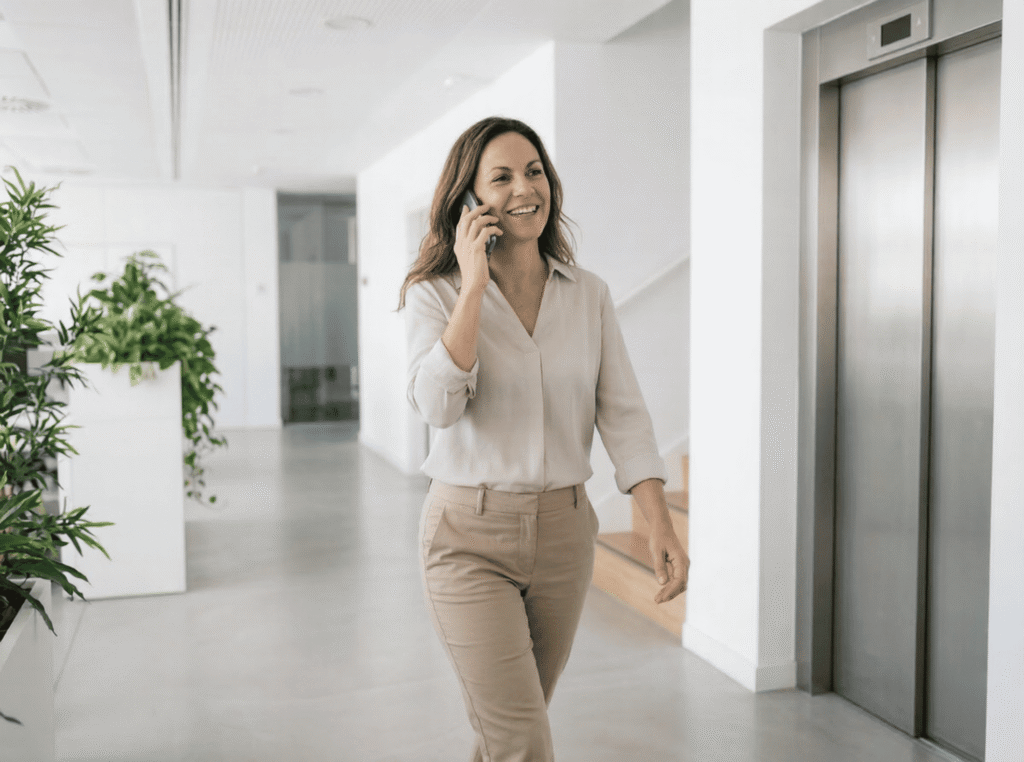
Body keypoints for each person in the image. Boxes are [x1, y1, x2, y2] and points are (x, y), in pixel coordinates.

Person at [398, 116, 689, 762]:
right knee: (522, 742)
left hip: (564, 538)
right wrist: (473, 286)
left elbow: (625, 415)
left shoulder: (588, 296)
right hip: (467, 539)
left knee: (508, 732)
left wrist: (659, 523)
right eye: (499, 177)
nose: (524, 188)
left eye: (533, 171)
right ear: (468, 200)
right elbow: (438, 407)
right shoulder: (435, 295)